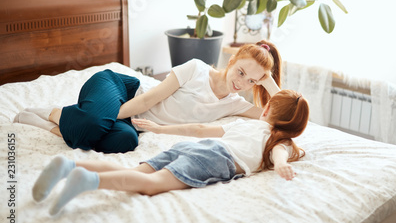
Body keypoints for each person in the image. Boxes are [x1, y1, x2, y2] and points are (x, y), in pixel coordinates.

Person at [31, 89, 309, 216]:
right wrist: (284, 163)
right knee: (151, 186)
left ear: (267, 110)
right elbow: (279, 156)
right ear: (294, 129)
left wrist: (161, 130)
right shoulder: (278, 142)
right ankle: (89, 181)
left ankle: (70, 166)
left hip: (193, 147)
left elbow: (201, 129)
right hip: (215, 159)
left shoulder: (247, 125)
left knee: (135, 172)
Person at [14, 40, 282, 153]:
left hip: (133, 124)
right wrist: (104, 117)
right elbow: (147, 101)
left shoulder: (236, 104)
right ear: (232, 59)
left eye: (251, 80)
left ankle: (56, 124)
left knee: (126, 141)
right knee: (95, 124)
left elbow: (283, 114)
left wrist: (268, 81)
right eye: (241, 71)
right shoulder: (196, 69)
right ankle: (53, 112)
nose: (241, 82)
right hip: (122, 90)